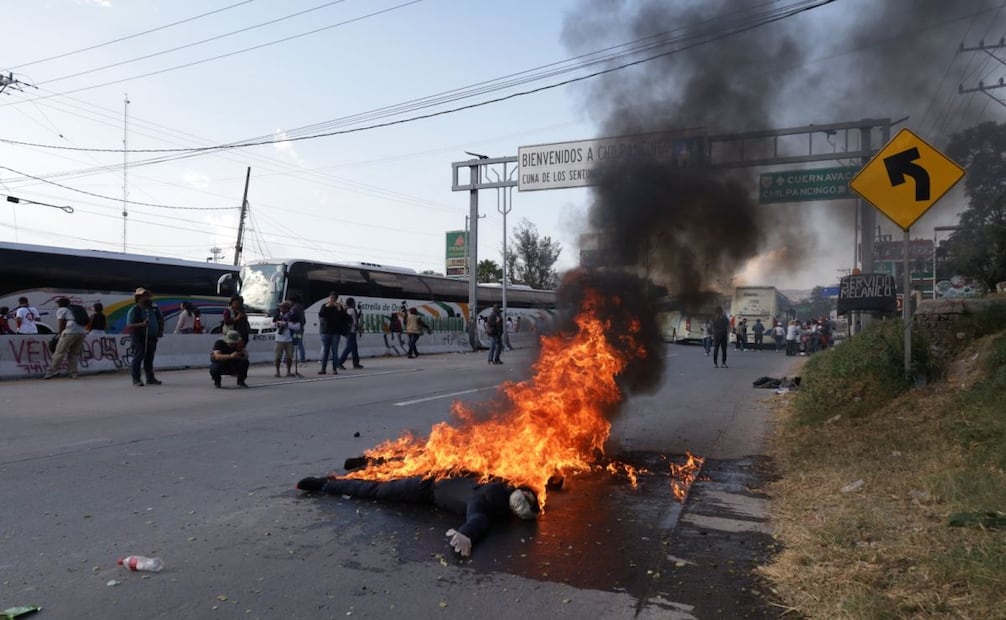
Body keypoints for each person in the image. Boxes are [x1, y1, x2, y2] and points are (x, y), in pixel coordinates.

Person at [295, 474, 539, 557]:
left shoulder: (497, 484)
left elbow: (477, 521)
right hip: (425, 487)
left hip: (431, 481)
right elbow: (478, 520)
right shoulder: (485, 503)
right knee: (376, 490)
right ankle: (325, 485)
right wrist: (467, 534)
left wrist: (467, 534)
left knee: (379, 488)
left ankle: (328, 484)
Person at [126, 287, 164, 387]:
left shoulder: (154, 308)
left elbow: (160, 319)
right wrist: (142, 324)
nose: (146, 298)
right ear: (138, 298)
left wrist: (160, 330)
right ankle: (136, 378)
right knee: (138, 357)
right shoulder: (134, 310)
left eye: (147, 295)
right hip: (139, 337)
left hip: (152, 336)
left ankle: (150, 378)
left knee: (149, 358)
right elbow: (129, 325)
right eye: (144, 296)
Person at [44, 297, 88, 379]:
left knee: (59, 352)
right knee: (74, 353)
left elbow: (61, 322)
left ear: (60, 304)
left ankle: (52, 371)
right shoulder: (74, 309)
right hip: (82, 332)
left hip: (70, 332)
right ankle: (73, 373)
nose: (57, 305)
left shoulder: (62, 310)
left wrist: (60, 333)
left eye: (58, 303)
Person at [317, 292, 345, 375]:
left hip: (335, 332)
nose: (332, 299)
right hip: (325, 332)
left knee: (335, 351)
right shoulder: (324, 306)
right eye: (330, 298)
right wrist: (326, 306)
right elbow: (321, 314)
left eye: (334, 298)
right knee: (326, 351)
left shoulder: (339, 307)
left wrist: (339, 309)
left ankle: (334, 369)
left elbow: (343, 317)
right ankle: (323, 369)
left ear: (336, 299)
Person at [336, 297, 364, 370]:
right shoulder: (352, 310)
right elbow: (354, 322)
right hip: (351, 332)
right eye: (354, 302)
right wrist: (359, 329)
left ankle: (356, 363)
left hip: (349, 331)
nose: (355, 303)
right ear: (352, 303)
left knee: (354, 348)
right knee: (349, 347)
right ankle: (339, 363)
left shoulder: (348, 310)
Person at [273, 301, 298, 377]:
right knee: (278, 356)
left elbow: (297, 326)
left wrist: (287, 324)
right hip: (279, 338)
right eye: (280, 307)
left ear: (287, 308)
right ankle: (277, 372)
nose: (281, 308)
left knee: (289, 356)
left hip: (289, 338)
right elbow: (272, 323)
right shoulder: (277, 315)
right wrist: (277, 324)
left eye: (283, 307)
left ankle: (288, 371)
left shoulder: (292, 316)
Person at [289, 294, 307, 364]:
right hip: (300, 329)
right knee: (300, 344)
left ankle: (286, 360)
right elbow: (304, 320)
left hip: (295, 329)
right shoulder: (301, 307)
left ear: (293, 301)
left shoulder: (294, 308)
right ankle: (302, 360)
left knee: (291, 344)